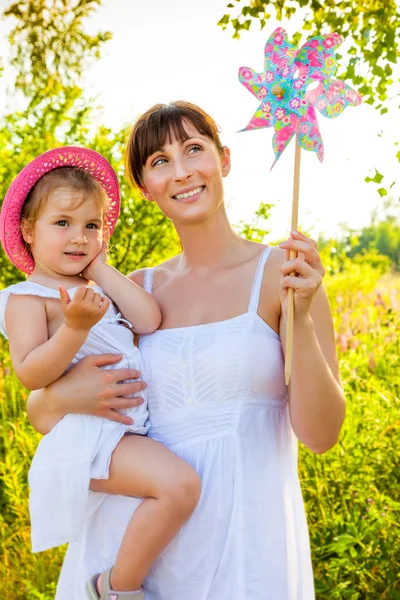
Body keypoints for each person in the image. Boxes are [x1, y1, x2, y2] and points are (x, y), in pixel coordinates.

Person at [27, 102, 346, 600]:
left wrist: (300, 317)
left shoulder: (285, 277)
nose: (181, 172)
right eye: (159, 161)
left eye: (193, 149)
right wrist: (52, 399)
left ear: (224, 159)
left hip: (247, 539)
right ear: (143, 186)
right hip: (139, 546)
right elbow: (45, 405)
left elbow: (322, 434)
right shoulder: (131, 293)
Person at [0, 146, 202, 600]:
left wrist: (102, 271)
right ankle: (115, 587)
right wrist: (73, 329)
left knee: (174, 488)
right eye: (62, 224)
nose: (79, 237)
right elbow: (31, 372)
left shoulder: (98, 292)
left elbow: (148, 319)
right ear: (29, 231)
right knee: (179, 486)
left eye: (92, 226)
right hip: (90, 435)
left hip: (127, 433)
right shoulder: (27, 299)